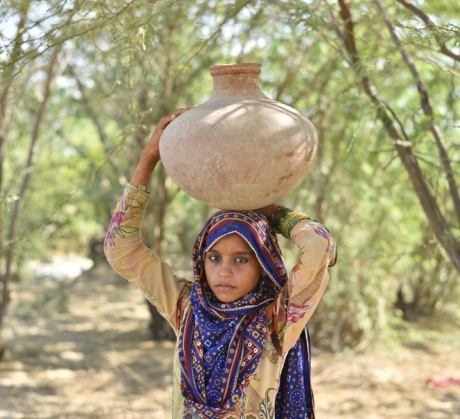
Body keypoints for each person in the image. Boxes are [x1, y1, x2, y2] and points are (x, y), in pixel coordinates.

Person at [104, 106, 337, 419]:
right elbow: (120, 249)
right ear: (201, 261)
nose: (224, 271)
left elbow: (319, 245)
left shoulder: (277, 322)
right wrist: (148, 160)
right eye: (213, 258)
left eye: (241, 259)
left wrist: (271, 212)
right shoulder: (185, 307)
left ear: (264, 265)